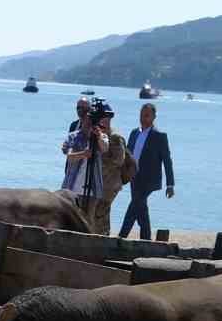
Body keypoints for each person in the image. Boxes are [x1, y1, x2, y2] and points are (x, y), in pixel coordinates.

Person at [119, 103, 174, 240]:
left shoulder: (159, 136)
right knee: (141, 209)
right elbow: (126, 155)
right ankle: (146, 238)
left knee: (134, 205)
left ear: (154, 117)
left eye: (147, 115)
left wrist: (170, 184)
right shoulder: (134, 133)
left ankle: (121, 236)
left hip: (149, 180)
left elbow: (167, 160)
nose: (143, 118)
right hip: (133, 178)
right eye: (142, 115)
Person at [61, 103, 107, 220]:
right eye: (87, 120)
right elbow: (70, 156)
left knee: (88, 221)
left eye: (91, 121)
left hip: (93, 189)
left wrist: (98, 136)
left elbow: (105, 148)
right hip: (72, 187)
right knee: (69, 220)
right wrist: (83, 154)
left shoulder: (101, 136)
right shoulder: (73, 136)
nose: (88, 124)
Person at [91, 103, 129, 234]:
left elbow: (119, 160)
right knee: (96, 213)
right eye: (102, 119)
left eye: (107, 119)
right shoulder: (96, 135)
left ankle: (103, 237)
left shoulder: (115, 137)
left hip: (110, 183)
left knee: (101, 212)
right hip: (99, 182)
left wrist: (102, 156)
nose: (104, 122)